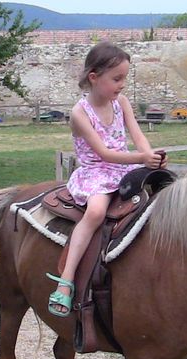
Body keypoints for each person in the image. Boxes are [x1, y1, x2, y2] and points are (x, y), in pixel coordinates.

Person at [47, 41, 165, 317]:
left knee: (162, 197)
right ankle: (66, 279)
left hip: (125, 167)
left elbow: (137, 135)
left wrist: (151, 156)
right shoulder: (80, 114)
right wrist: (141, 158)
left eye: (124, 78)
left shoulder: (120, 102)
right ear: (94, 77)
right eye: (117, 79)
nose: (122, 85)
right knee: (96, 212)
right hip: (97, 172)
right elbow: (104, 153)